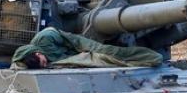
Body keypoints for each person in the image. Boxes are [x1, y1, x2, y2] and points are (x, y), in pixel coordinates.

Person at [12, 27, 163, 69]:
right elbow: (17, 65)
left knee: (111, 52)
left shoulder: (45, 38)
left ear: (38, 53)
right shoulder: (30, 57)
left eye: (43, 62)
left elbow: (70, 40)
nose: (46, 64)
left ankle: (150, 57)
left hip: (78, 44)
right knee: (106, 60)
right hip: (73, 54)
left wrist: (81, 51)